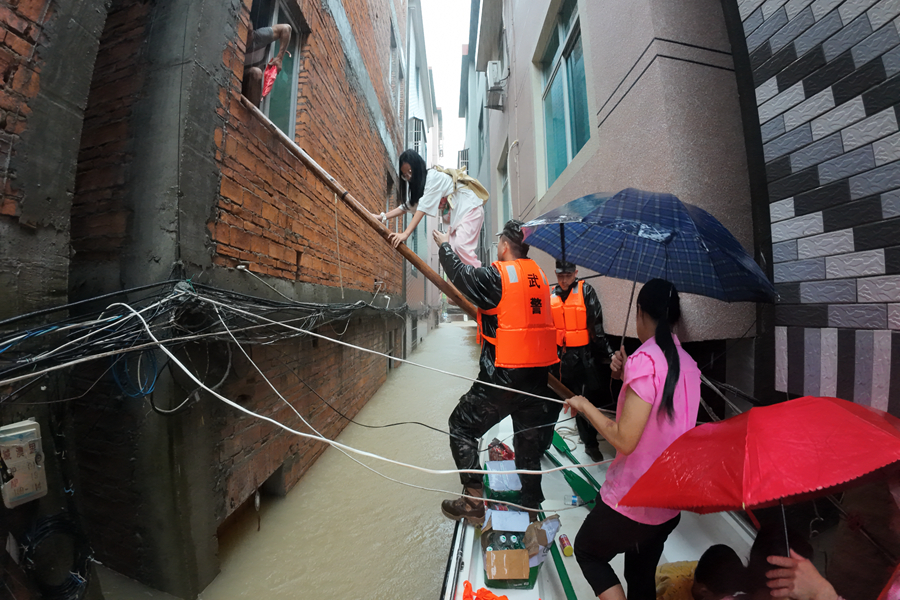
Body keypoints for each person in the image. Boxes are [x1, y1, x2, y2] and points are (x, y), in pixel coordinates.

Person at [567, 279, 702, 600]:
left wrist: (585, 405)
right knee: (640, 575)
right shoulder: (689, 365)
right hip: (668, 504)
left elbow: (624, 440)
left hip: (633, 503)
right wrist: (626, 373)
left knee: (588, 552)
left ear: (641, 313)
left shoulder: (646, 361)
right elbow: (661, 410)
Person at [432, 220, 560, 523]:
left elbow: (462, 277)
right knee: (527, 442)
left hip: (503, 377)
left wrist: (444, 247)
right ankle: (531, 502)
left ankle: (474, 501)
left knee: (461, 426)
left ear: (504, 244)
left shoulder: (498, 276)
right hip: (539, 378)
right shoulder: (539, 276)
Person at [375, 150, 487, 267]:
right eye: (405, 175)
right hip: (457, 218)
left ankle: (478, 280)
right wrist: (382, 217)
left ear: (418, 167)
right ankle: (462, 283)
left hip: (470, 208)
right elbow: (407, 206)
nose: (409, 177)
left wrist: (405, 234)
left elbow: (422, 208)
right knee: (453, 253)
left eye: (410, 171)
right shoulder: (423, 187)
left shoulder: (433, 177)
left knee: (461, 247)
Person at [550, 259, 615, 462]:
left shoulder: (586, 292)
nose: (564, 280)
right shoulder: (551, 294)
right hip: (559, 358)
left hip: (582, 357)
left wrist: (610, 354)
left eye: (568, 276)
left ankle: (590, 444)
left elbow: (596, 328)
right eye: (560, 276)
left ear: (576, 273)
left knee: (584, 401)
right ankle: (542, 439)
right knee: (551, 401)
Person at [242, 22, 292, 107]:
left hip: (252, 84)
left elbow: (286, 28)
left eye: (250, 33)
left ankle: (252, 115)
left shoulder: (259, 37)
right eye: (245, 33)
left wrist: (279, 58)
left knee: (256, 72)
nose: (248, 37)